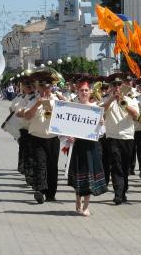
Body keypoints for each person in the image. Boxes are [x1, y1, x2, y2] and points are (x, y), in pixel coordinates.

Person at [19, 71, 61, 203]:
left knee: (52, 166)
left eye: (47, 87)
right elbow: (27, 116)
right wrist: (38, 104)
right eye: (42, 87)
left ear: (51, 87)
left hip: (53, 137)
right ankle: (40, 190)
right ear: (38, 87)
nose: (44, 90)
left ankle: (51, 193)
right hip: (37, 137)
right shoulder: (32, 100)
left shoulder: (57, 100)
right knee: (40, 164)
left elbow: (64, 118)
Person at [67, 78, 107, 216]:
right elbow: (66, 127)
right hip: (77, 146)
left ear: (90, 92)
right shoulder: (72, 107)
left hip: (91, 146)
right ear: (77, 92)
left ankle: (86, 206)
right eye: (81, 90)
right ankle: (78, 200)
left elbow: (101, 133)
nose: (84, 92)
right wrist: (69, 137)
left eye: (86, 90)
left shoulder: (96, 109)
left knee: (89, 175)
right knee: (79, 174)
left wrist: (101, 123)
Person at [102, 74, 139, 204]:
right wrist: (112, 99)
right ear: (111, 87)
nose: (117, 87)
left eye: (119, 85)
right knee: (116, 165)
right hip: (112, 136)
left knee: (125, 167)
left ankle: (123, 191)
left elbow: (135, 115)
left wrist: (123, 104)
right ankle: (118, 193)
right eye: (114, 85)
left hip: (127, 136)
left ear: (122, 86)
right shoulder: (107, 99)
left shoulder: (131, 99)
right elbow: (101, 111)